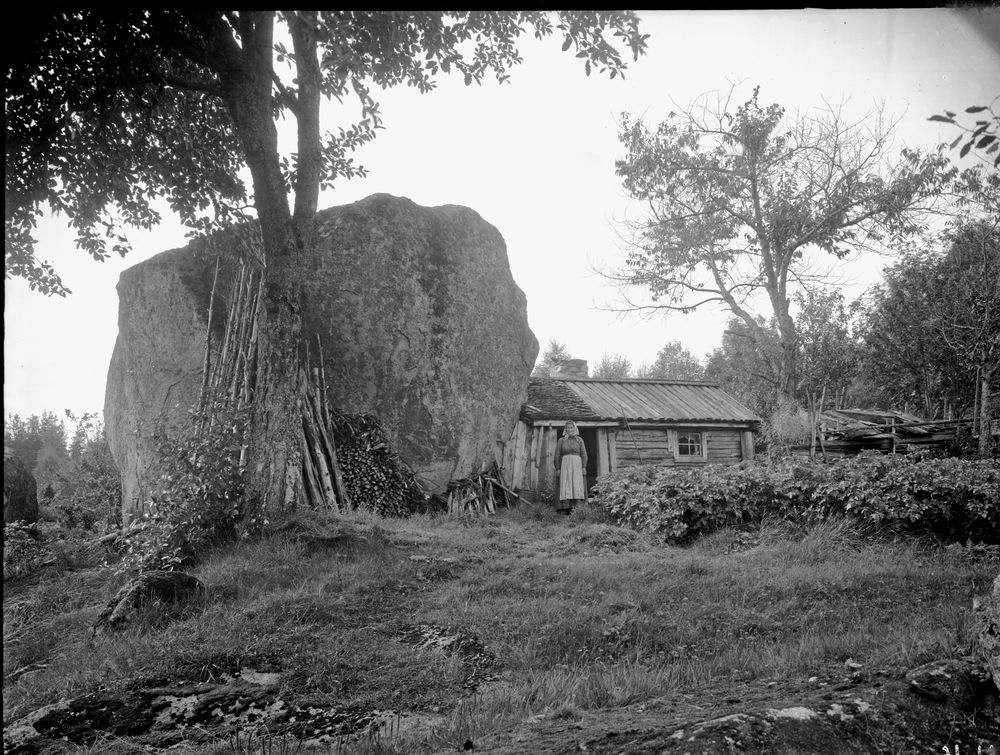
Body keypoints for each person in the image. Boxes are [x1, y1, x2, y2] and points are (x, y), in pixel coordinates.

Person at [554, 421, 587, 515]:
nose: (569, 429)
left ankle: (577, 509)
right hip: (565, 465)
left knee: (576, 484)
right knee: (566, 484)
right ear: (565, 429)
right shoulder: (561, 440)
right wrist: (558, 468)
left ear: (575, 428)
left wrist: (584, 466)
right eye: (568, 428)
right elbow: (557, 455)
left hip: (577, 465)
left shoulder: (579, 440)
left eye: (571, 427)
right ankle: (565, 508)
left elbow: (584, 454)